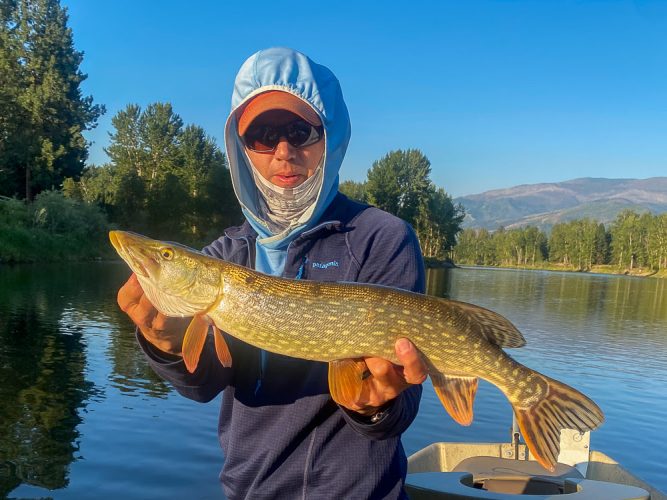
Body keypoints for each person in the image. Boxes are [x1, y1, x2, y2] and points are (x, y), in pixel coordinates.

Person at [117, 47, 428, 499]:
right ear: (243, 151)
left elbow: (397, 413)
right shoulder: (227, 252)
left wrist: (373, 408)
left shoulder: (381, 238)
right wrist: (162, 343)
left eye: (301, 132)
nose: (283, 152)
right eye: (262, 135)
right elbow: (204, 384)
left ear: (330, 137)